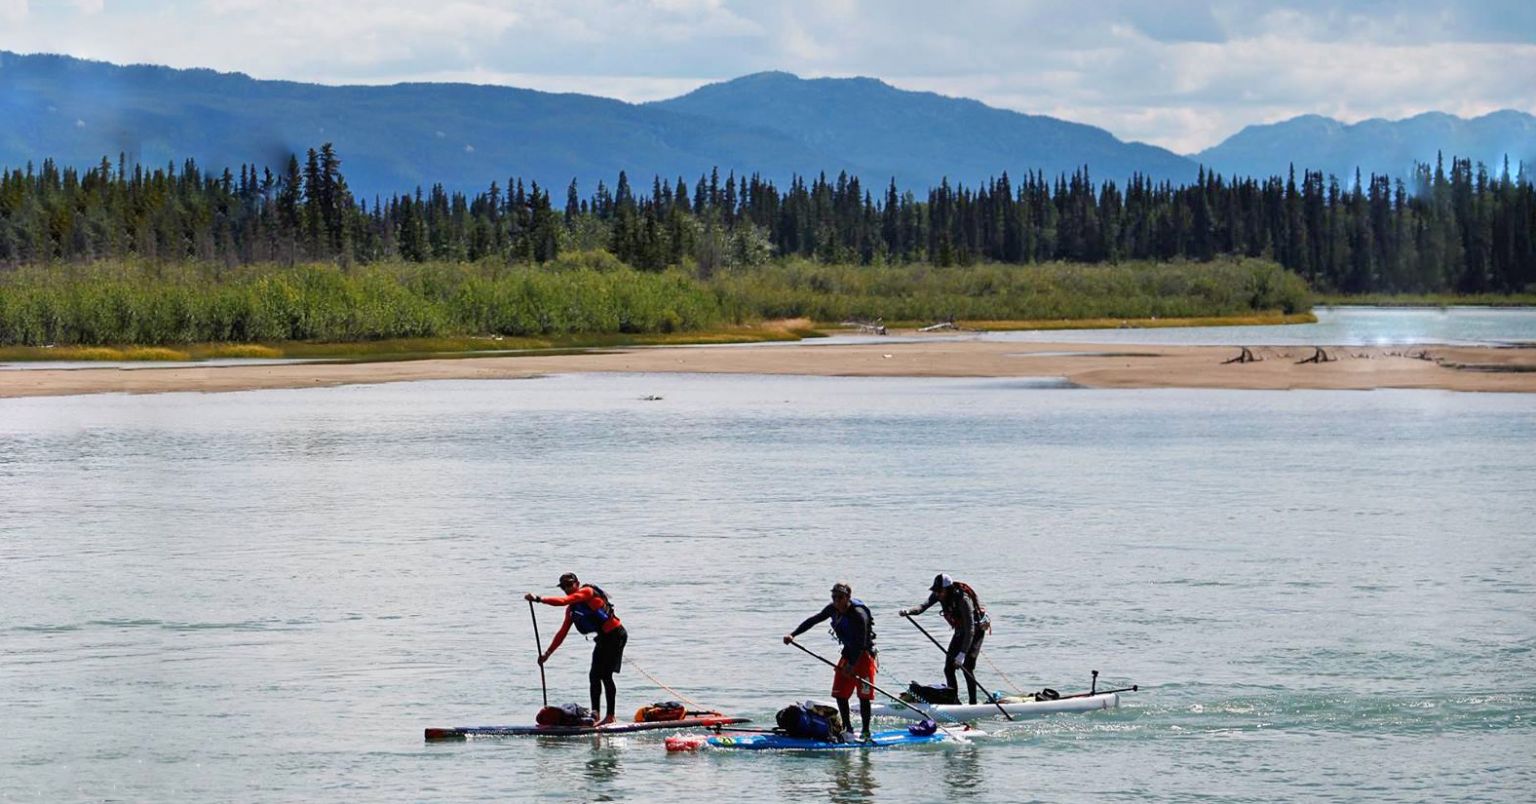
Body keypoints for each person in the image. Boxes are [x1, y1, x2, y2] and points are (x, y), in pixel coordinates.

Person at [525, 572, 628, 726]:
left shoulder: (587, 592)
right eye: (564, 587)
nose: (567, 589)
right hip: (603, 638)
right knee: (594, 675)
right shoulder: (572, 610)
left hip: (616, 635)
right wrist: (547, 654)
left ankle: (611, 716)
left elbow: (563, 601)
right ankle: (595, 714)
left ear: (577, 583)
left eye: (569, 585)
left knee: (605, 675)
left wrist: (539, 599)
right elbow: (562, 633)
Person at [783, 581, 877, 741]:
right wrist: (793, 634)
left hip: (864, 655)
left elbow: (861, 643)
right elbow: (814, 620)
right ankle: (848, 729)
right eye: (834, 597)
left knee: (864, 697)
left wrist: (852, 665)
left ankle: (866, 731)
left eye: (840, 598)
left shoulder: (859, 614)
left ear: (848, 597)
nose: (836, 601)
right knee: (840, 693)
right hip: (848, 654)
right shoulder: (832, 608)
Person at [900, 573, 990, 705]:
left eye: (939, 591)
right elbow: (922, 606)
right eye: (935, 591)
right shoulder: (938, 594)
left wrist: (961, 655)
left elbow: (970, 629)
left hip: (975, 632)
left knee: (967, 667)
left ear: (948, 589)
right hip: (960, 632)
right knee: (948, 668)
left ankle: (973, 703)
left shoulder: (963, 599)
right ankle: (954, 702)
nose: (937, 594)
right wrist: (909, 611)